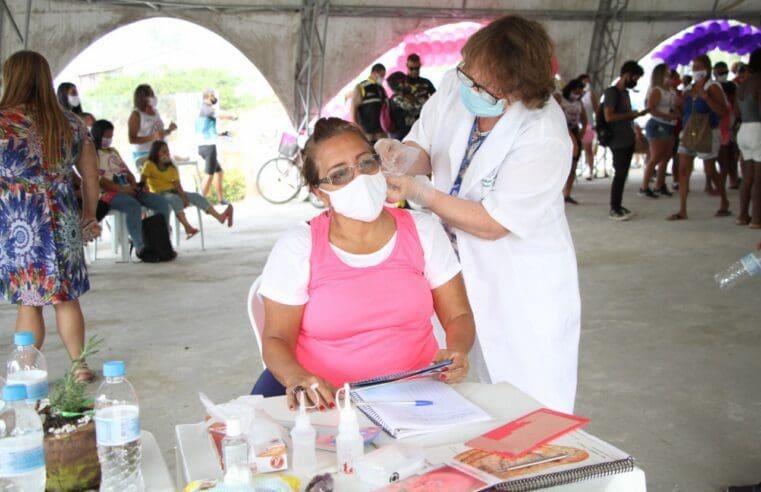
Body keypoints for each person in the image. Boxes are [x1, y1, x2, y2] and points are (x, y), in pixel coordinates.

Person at [377, 15, 581, 413]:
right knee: (444, 387)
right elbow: (424, 143)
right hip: (452, 263)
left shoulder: (544, 135)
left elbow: (493, 223)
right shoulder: (460, 84)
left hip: (518, 276)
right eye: (466, 70)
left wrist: (421, 192)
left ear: (517, 89)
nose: (468, 85)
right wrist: (401, 157)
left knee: (528, 402)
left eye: (482, 84)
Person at [253, 118, 475, 408]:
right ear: (319, 192)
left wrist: (457, 350)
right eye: (340, 174)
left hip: (419, 399)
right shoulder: (299, 246)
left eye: (366, 163)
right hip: (331, 405)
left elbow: (458, 315)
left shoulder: (423, 231)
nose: (359, 178)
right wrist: (297, 377)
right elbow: (276, 338)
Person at [0, 51, 101, 382]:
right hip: (61, 220)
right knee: (66, 297)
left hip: (18, 222)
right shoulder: (70, 123)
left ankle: (28, 370)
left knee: (29, 300)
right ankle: (79, 366)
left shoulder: (3, 122)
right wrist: (88, 215)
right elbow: (90, 176)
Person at [91, 120, 172, 261]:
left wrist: (135, 185)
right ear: (98, 134)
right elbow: (100, 180)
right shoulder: (91, 154)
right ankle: (140, 248)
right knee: (132, 206)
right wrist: (123, 190)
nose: (108, 139)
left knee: (161, 203)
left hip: (128, 188)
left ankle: (160, 243)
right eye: (106, 136)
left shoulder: (113, 151)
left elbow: (127, 171)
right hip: (108, 194)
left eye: (111, 136)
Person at [669, 54, 728, 221]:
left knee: (709, 169)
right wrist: (678, 106)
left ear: (707, 69)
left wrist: (706, 98)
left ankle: (724, 200)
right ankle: (682, 209)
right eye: (694, 68)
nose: (696, 71)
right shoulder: (689, 89)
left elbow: (723, 111)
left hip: (708, 131)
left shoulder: (713, 87)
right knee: (683, 169)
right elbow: (682, 113)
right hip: (689, 131)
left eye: (699, 67)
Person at [141, 140, 232, 238]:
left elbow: (177, 185)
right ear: (156, 152)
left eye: (167, 151)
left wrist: (184, 197)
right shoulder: (149, 165)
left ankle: (220, 217)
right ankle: (187, 227)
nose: (166, 154)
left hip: (174, 191)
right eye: (163, 151)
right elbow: (142, 181)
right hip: (159, 193)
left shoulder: (171, 167)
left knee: (196, 196)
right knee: (174, 199)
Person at [603, 60, 647, 220]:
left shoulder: (625, 94)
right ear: (627, 75)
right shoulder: (612, 93)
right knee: (619, 174)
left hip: (627, 138)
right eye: (635, 78)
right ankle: (614, 208)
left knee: (623, 174)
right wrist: (631, 115)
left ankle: (618, 205)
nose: (635, 81)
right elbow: (609, 116)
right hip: (617, 140)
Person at [640, 63, 678, 198]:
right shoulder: (656, 90)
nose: (669, 76)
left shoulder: (671, 90)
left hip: (670, 125)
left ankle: (660, 185)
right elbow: (651, 109)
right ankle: (644, 187)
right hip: (658, 125)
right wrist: (669, 116)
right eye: (666, 74)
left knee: (666, 157)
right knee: (655, 157)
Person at [196, 88, 237, 205]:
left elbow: (207, 130)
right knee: (209, 175)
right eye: (213, 96)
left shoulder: (203, 111)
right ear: (208, 96)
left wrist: (223, 134)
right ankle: (200, 202)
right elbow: (220, 114)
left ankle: (221, 199)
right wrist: (232, 116)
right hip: (208, 147)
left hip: (204, 146)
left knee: (219, 172)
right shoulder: (206, 109)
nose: (214, 98)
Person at [736, 48, 761, 229]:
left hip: (743, 129)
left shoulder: (742, 85)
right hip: (758, 129)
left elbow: (737, 112)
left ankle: (743, 215)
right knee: (759, 179)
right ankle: (757, 219)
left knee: (747, 177)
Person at [128, 84, 177, 168]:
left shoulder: (156, 112)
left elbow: (159, 133)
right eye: (149, 95)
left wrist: (169, 130)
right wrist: (152, 137)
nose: (153, 97)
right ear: (142, 98)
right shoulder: (136, 115)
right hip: (145, 152)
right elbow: (132, 139)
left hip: (161, 152)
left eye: (152, 94)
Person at [555, 79, 587, 204]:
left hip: (574, 131)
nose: (578, 93)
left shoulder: (579, 102)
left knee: (573, 164)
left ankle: (567, 194)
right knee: (560, 163)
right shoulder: (559, 97)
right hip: (561, 131)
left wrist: (584, 129)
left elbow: (584, 118)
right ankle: (556, 194)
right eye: (576, 91)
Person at [351, 63, 387, 144]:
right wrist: (357, 127)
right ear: (374, 73)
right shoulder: (361, 87)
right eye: (381, 75)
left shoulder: (381, 89)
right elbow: (353, 108)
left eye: (383, 76)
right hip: (367, 133)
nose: (382, 78)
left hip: (381, 132)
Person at [578, 74, 601, 180]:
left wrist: (598, 123)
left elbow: (597, 110)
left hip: (588, 125)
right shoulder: (575, 95)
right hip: (576, 125)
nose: (587, 84)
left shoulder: (590, 94)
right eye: (585, 82)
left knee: (588, 148)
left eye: (588, 82)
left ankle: (590, 170)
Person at [406, 53, 436, 124]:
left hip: (425, 119)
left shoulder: (426, 82)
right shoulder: (402, 83)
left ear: (420, 66)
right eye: (411, 68)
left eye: (417, 68)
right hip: (409, 122)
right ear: (407, 66)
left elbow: (436, 97)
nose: (414, 71)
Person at [386, 71, 417, 140]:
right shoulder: (397, 99)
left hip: (404, 134)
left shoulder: (400, 97)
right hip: (403, 136)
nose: (407, 84)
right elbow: (416, 109)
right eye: (404, 82)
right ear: (398, 85)